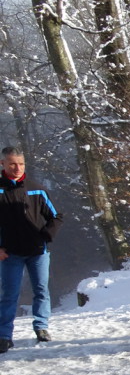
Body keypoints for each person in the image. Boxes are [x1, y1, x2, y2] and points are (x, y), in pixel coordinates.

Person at [0, 146, 62, 353]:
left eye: (21, 164)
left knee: (41, 291)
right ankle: (4, 336)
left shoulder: (37, 189)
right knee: (9, 294)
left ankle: (41, 327)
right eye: (12, 164)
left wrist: (45, 236)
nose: (17, 168)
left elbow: (56, 216)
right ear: (3, 164)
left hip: (38, 252)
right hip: (9, 253)